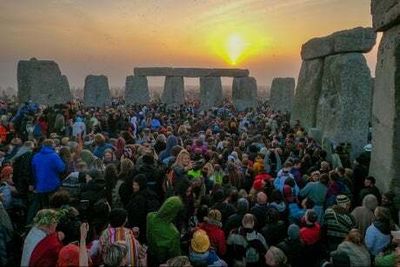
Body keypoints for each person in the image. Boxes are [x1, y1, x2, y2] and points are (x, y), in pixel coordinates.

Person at [28, 139, 66, 224]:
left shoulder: (36, 156)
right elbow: (62, 168)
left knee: (43, 207)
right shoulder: (54, 155)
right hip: (53, 185)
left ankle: (43, 224)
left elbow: (33, 171)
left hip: (40, 186)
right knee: (53, 207)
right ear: (52, 146)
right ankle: (53, 224)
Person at [147, 196, 184, 265]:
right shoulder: (174, 233)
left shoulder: (150, 216)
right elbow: (176, 256)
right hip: (163, 262)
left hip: (149, 255)